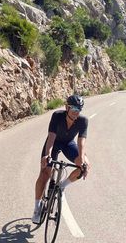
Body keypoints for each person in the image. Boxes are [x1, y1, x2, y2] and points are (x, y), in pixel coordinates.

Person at [32, 94, 90, 224]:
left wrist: (82, 161)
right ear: (67, 107)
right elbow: (51, 137)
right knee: (45, 173)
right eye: (74, 109)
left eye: (79, 110)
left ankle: (61, 187)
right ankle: (37, 208)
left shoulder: (83, 121)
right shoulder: (57, 116)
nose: (76, 112)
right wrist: (47, 155)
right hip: (55, 142)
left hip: (69, 144)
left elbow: (81, 142)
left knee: (85, 165)